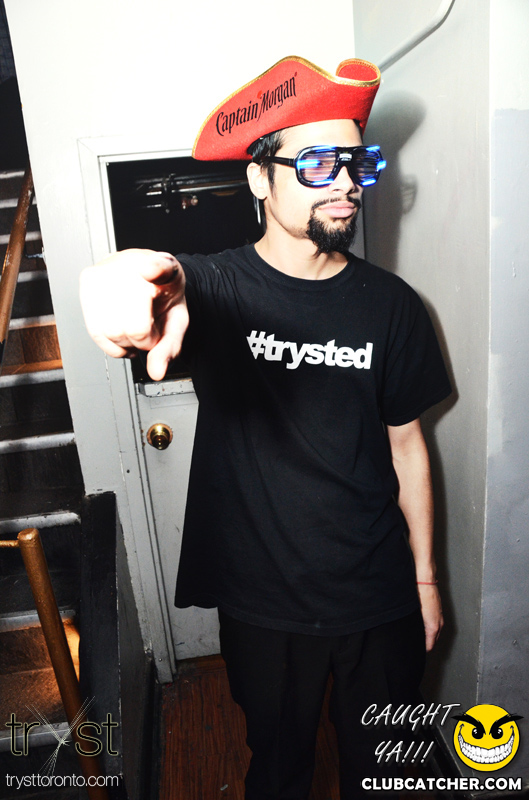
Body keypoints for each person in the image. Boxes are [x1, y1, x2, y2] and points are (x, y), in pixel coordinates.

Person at [80, 56, 452, 799]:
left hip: (378, 593)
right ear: (259, 179)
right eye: (317, 163)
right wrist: (118, 283)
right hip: (263, 602)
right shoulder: (218, 288)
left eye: (356, 163)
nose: (345, 183)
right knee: (278, 770)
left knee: (390, 772)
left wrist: (425, 580)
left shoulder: (393, 306)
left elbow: (407, 446)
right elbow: (164, 276)